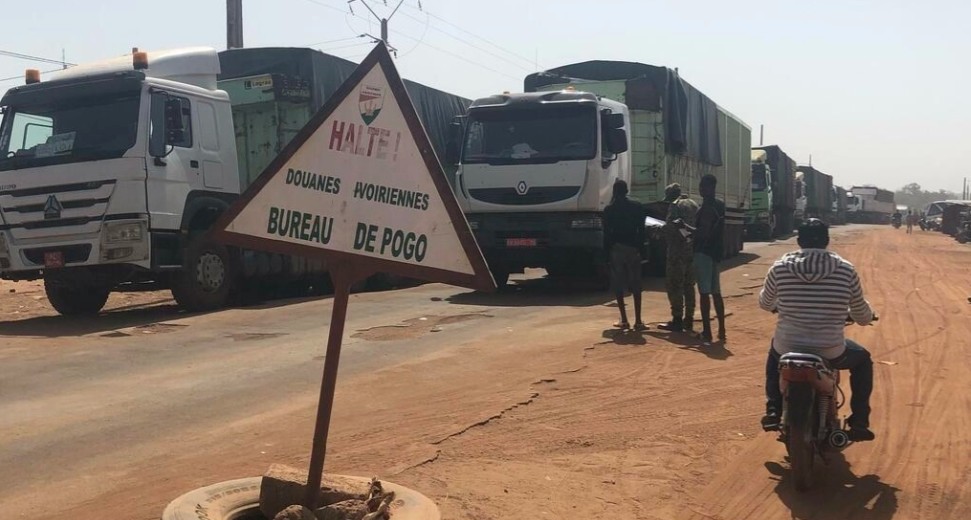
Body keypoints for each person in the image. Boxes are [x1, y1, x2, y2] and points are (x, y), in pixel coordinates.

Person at [758, 218, 876, 442]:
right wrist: (868, 316)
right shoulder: (845, 269)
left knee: (774, 356)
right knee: (863, 360)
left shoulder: (780, 267)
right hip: (830, 350)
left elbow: (765, 303)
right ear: (827, 241)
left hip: (787, 346)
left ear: (799, 240)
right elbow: (861, 314)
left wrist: (779, 305)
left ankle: (773, 409)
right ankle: (860, 421)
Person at [686, 174, 726, 343]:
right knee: (716, 293)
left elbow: (702, 232)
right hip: (715, 253)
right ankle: (722, 330)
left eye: (704, 186)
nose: (701, 189)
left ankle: (707, 331)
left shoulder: (708, 208)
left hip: (703, 253)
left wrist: (684, 227)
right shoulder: (720, 206)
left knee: (704, 294)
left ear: (711, 187)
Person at [603, 179, 647, 331]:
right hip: (633, 249)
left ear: (614, 192)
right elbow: (642, 230)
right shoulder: (637, 207)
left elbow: (607, 234)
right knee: (636, 284)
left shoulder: (609, 210)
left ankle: (624, 319)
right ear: (627, 191)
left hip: (617, 249)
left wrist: (606, 253)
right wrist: (641, 249)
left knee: (618, 284)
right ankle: (639, 320)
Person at [659, 183, 699, 333]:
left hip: (677, 252)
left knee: (675, 285)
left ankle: (677, 319)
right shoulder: (693, 204)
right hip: (691, 251)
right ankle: (689, 319)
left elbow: (671, 228)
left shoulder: (675, 206)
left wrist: (658, 229)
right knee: (689, 286)